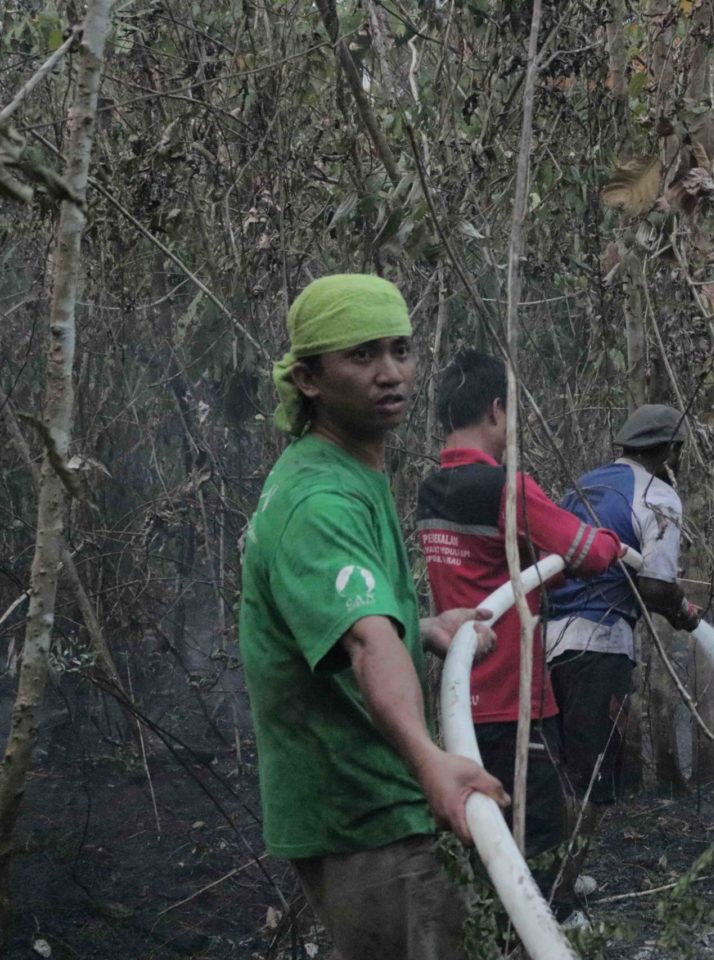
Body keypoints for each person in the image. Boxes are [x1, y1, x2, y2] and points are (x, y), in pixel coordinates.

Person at [239, 274, 509, 960]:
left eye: (400, 349)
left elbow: (346, 619)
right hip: (364, 810)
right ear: (308, 378)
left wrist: (418, 628)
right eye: (362, 356)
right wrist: (431, 763)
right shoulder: (321, 503)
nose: (391, 373)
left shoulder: (343, 470)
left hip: (364, 798)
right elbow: (363, 642)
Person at [416, 349, 627, 914]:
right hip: (515, 701)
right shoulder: (503, 487)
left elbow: (488, 565)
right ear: (495, 409)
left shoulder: (432, 490)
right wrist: (613, 544)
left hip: (461, 706)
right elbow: (586, 551)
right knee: (535, 844)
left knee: (483, 845)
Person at [544, 404, 702, 807]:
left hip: (547, 645)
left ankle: (551, 865)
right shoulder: (658, 495)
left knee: (557, 768)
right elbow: (654, 586)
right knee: (592, 775)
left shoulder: (583, 484)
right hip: (600, 646)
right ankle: (574, 870)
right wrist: (682, 610)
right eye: (678, 453)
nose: (679, 463)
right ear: (666, 451)